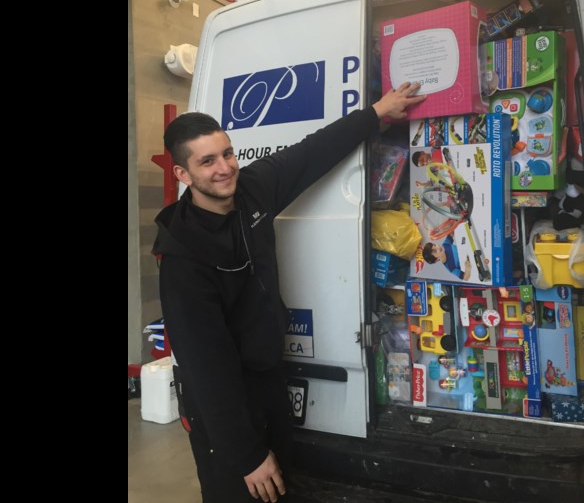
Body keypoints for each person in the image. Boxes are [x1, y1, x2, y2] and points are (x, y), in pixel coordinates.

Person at [152, 82, 425, 503]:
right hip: (222, 405)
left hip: (267, 380)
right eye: (207, 162)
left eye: (227, 153)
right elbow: (207, 368)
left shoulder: (252, 192)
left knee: (282, 489)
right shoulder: (183, 258)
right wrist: (247, 455)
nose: (224, 167)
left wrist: (377, 111)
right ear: (183, 175)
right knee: (243, 492)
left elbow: (312, 151)